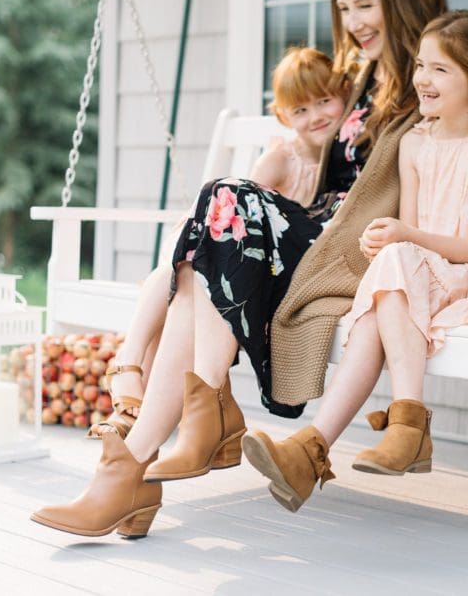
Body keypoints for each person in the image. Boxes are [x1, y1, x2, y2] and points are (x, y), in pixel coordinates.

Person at [30, 0, 468, 539]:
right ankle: (137, 470)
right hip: (317, 229)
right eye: (345, 8)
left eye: (365, 5)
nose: (353, 22)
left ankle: (159, 451)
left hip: (359, 245)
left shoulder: (449, 57)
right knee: (203, 260)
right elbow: (309, 145)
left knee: (220, 210)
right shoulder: (358, 75)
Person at [243, 10, 468, 511]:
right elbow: (409, 231)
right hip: (415, 279)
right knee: (384, 291)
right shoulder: (414, 143)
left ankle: (400, 423)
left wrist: (402, 241)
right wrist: (385, 242)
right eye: (421, 65)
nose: (422, 78)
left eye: (440, 69)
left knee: (394, 271)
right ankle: (313, 449)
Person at [85, 46, 348, 440]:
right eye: (301, 110)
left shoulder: (349, 160)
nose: (316, 116)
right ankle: (130, 371)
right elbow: (243, 213)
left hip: (282, 274)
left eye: (325, 101)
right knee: (188, 261)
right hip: (252, 264)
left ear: (344, 94)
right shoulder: (281, 159)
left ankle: (129, 390)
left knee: (185, 264)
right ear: (283, 116)